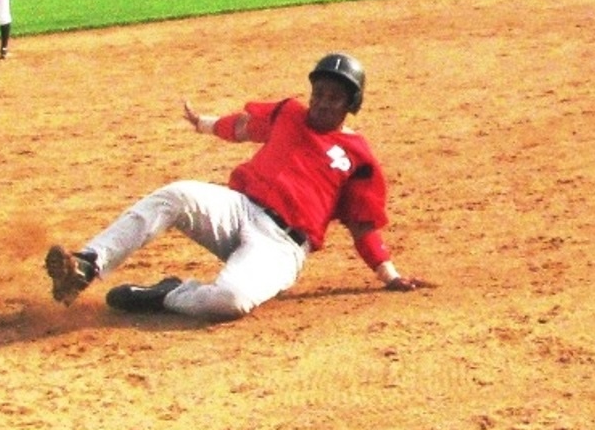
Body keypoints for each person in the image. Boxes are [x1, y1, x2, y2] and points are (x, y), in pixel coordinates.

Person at [45, 53, 426, 319]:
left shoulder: (358, 157)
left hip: (283, 246)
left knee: (230, 300)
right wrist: (205, 123)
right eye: (319, 94)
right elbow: (244, 126)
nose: (323, 103)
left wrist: (388, 275)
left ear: (351, 103)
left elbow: (362, 226)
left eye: (335, 97)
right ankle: (88, 264)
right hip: (239, 209)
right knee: (176, 194)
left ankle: (168, 295)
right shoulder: (289, 114)